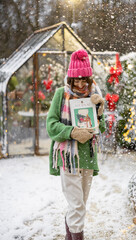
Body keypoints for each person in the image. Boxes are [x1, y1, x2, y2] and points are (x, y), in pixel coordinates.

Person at [46, 49, 105, 240]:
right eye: (76, 80)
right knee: (77, 205)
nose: (80, 84)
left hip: (87, 155)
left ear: (89, 78)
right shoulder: (61, 94)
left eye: (83, 80)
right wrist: (71, 132)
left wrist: (100, 111)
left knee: (80, 204)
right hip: (68, 156)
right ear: (70, 78)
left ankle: (69, 235)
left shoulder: (95, 94)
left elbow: (100, 127)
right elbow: (51, 125)